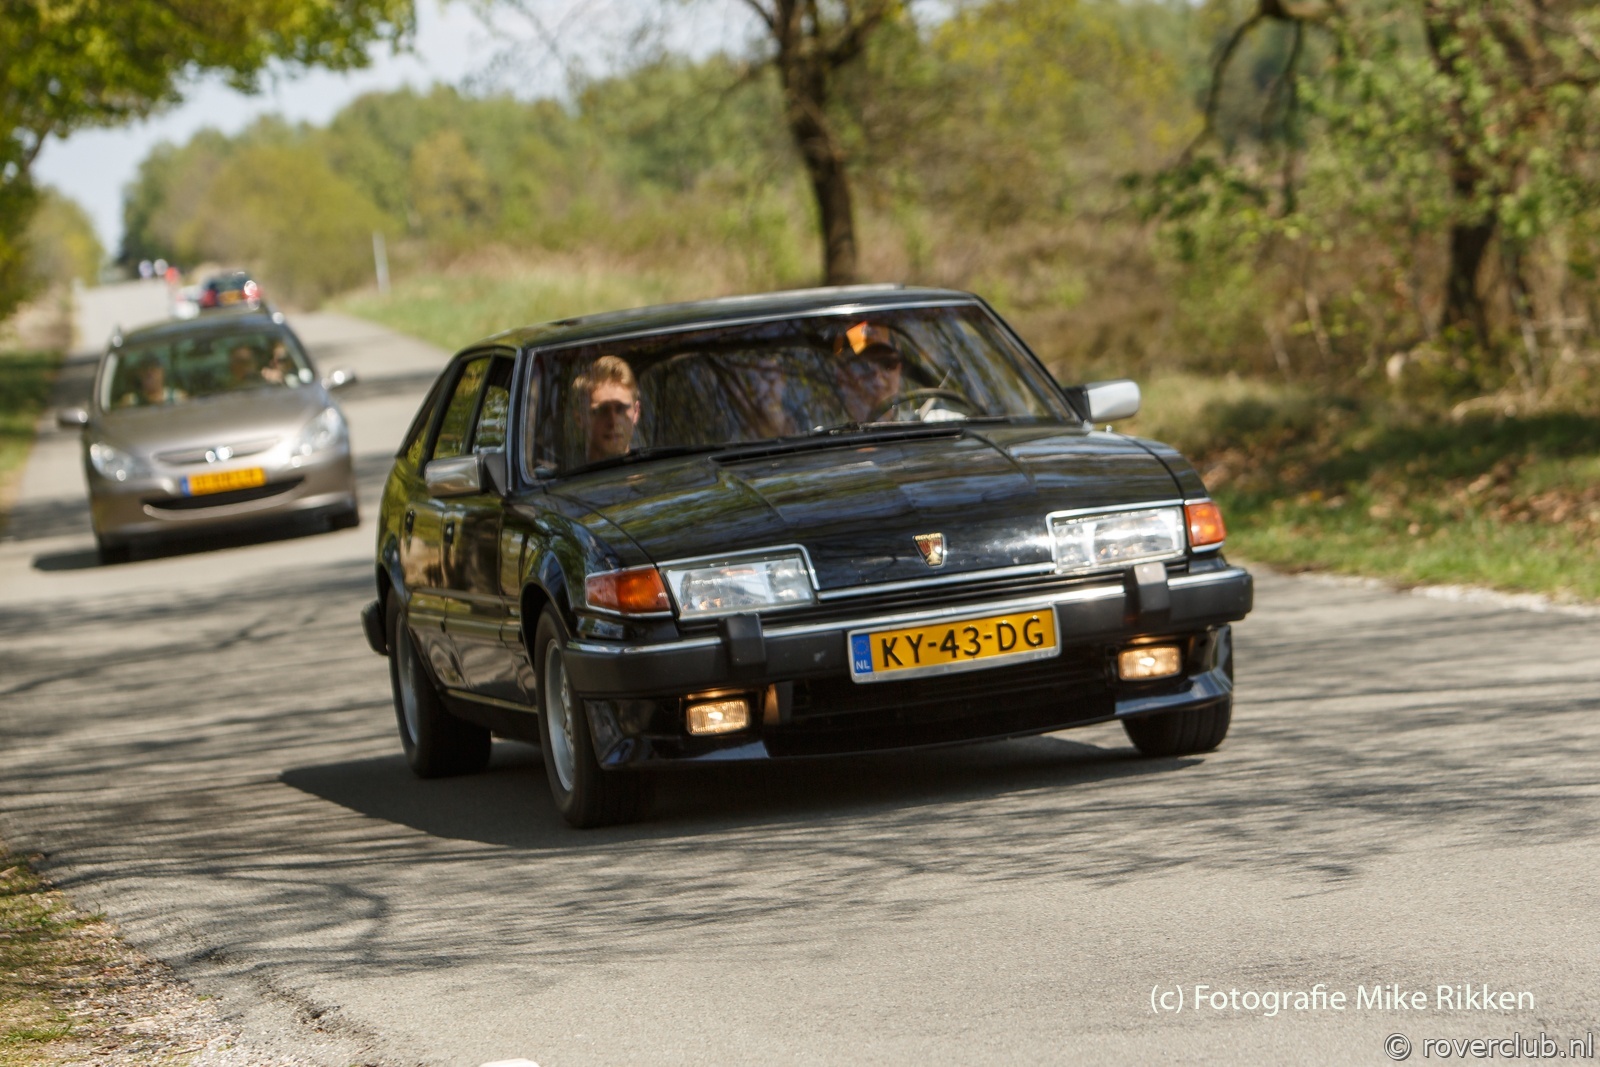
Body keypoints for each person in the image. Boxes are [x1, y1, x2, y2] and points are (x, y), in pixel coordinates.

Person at [834, 321, 906, 423]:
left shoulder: (923, 423)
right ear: (841, 376)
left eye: (887, 364)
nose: (877, 375)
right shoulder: (824, 431)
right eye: (863, 365)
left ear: (899, 369)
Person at [573, 355, 640, 462]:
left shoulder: (659, 468)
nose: (613, 421)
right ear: (580, 419)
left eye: (621, 409)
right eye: (602, 411)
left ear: (636, 412)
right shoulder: (564, 471)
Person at [119, 355, 186, 407]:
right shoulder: (131, 401)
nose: (149, 374)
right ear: (139, 374)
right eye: (145, 370)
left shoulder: (178, 398)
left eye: (153, 369)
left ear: (162, 373)